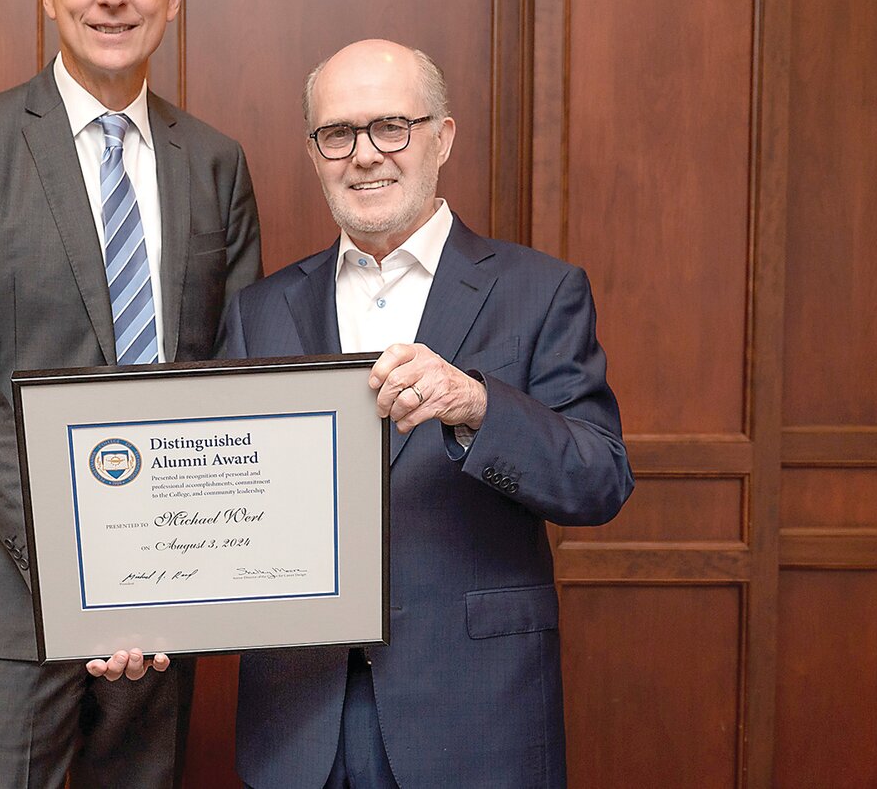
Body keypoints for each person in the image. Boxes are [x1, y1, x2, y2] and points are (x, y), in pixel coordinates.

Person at [0, 0, 262, 789]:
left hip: (165, 607)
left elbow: (234, 379)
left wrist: (161, 578)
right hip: (9, 598)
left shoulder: (217, 164)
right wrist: (88, 561)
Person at [219, 39, 632, 788]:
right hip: (301, 725)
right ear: (315, 154)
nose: (365, 154)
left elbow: (601, 478)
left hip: (476, 717)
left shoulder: (540, 291)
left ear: (442, 136)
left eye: (391, 127)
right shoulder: (259, 313)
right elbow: (223, 501)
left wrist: (478, 405)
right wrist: (143, 619)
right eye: (337, 134)